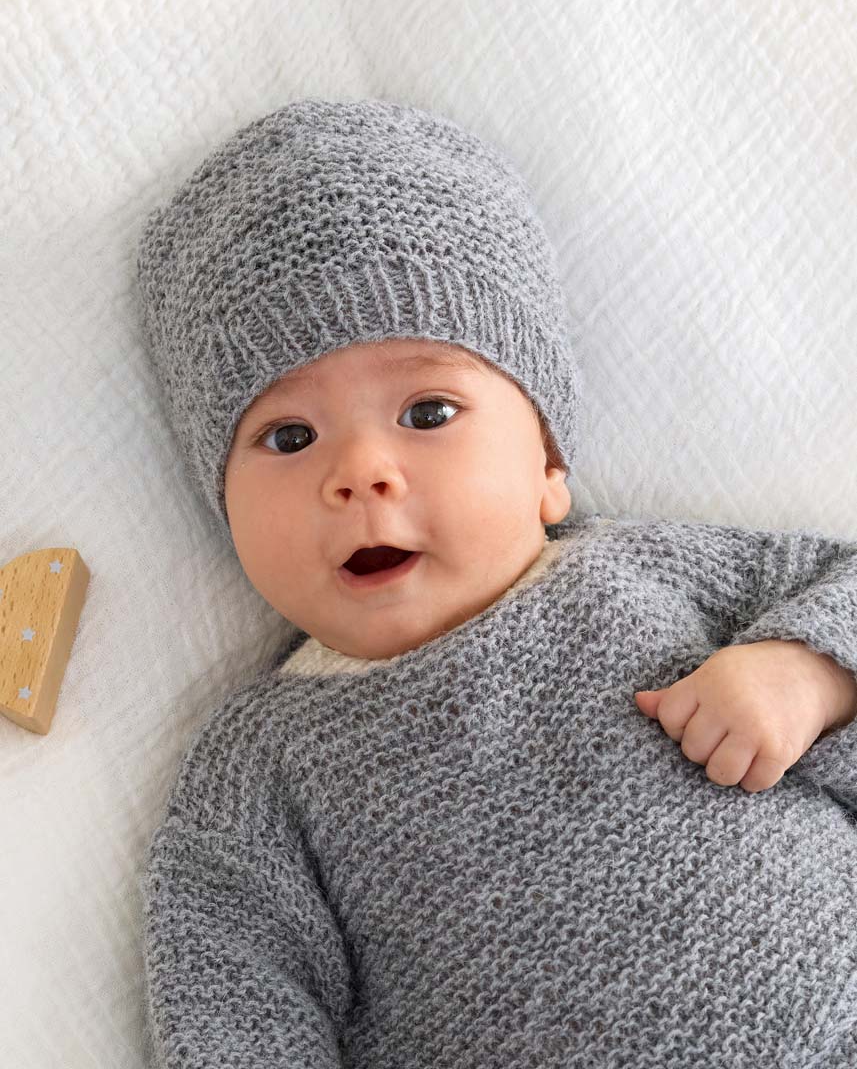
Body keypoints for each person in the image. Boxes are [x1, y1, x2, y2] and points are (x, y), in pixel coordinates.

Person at [136, 97, 857, 1068]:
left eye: (427, 412)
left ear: (547, 464)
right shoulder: (262, 765)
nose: (360, 473)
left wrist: (805, 673)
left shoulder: (639, 570)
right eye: (289, 436)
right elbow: (229, 1004)